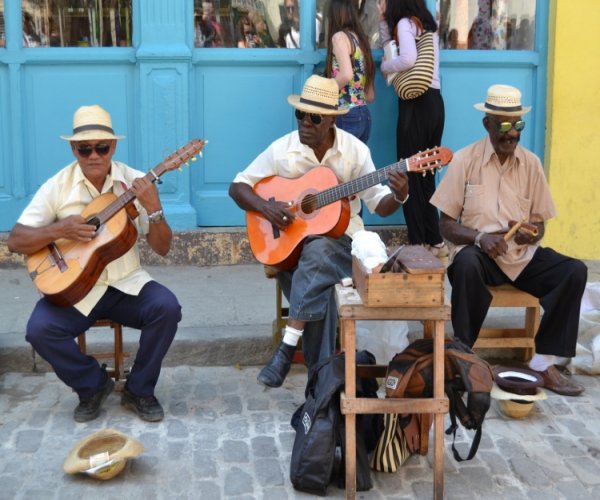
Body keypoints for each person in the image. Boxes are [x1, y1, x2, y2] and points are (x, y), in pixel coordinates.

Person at [229, 75, 409, 388]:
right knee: (320, 285)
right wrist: (266, 208)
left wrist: (400, 195)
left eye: (313, 118)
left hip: (344, 248)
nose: (304, 124)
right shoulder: (282, 149)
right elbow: (238, 186)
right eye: (300, 114)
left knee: (321, 250)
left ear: (330, 121)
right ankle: (321, 385)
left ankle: (289, 350)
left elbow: (380, 203)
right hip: (291, 252)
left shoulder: (354, 151)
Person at [6, 105, 182, 421]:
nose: (94, 155)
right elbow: (16, 240)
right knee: (39, 330)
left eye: (102, 147)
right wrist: (60, 229)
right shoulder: (57, 186)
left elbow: (163, 248)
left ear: (113, 146)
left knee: (167, 308)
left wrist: (154, 210)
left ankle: (139, 389)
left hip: (126, 284)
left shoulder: (134, 182)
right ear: (73, 148)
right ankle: (92, 385)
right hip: (76, 290)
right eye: (84, 148)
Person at [429, 84, 588, 396]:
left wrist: (533, 233)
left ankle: (543, 362)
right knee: (465, 265)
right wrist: (480, 237)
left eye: (518, 125)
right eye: (503, 125)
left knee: (574, 271)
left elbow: (540, 223)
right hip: (481, 255)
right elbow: (445, 225)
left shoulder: (532, 164)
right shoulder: (465, 160)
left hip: (521, 257)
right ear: (487, 123)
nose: (512, 133)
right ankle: (465, 357)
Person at [379, 0, 448, 262]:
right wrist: (383, 20)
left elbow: (406, 58)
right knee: (427, 174)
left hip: (415, 106)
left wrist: (385, 67)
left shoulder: (405, 24)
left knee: (408, 174)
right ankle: (435, 241)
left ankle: (418, 243)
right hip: (434, 104)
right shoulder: (427, 26)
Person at [324, 0, 375, 144]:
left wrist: (324, 90)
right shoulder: (361, 40)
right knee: (357, 166)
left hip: (346, 113)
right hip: (364, 114)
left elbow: (346, 74)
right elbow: (370, 96)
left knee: (341, 165)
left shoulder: (339, 37)